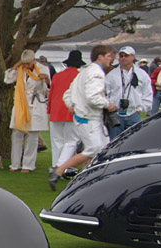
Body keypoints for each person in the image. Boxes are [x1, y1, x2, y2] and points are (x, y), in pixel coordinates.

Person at [50, 44, 118, 189]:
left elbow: (67, 94)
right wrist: (108, 105)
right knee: (93, 149)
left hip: (85, 116)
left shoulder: (84, 72)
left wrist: (72, 106)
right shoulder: (96, 73)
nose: (111, 59)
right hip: (89, 117)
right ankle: (59, 170)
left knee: (102, 149)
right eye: (109, 56)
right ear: (100, 56)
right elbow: (93, 97)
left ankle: (93, 178)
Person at [4, 49, 50, 172]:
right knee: (17, 134)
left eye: (28, 63)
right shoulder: (20, 70)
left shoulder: (42, 69)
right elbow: (7, 79)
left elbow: (47, 90)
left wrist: (46, 79)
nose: (26, 66)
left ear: (33, 61)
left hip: (35, 104)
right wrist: (16, 66)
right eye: (24, 63)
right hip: (20, 104)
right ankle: (15, 164)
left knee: (33, 136)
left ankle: (28, 165)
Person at [104, 45, 152, 139]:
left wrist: (141, 108)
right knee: (114, 141)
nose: (123, 58)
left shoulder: (142, 74)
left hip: (134, 112)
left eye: (126, 55)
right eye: (121, 56)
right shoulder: (111, 75)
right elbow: (105, 93)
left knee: (134, 140)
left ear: (133, 57)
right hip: (116, 113)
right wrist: (109, 106)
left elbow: (147, 93)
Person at [48, 50, 83, 171]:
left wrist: (50, 110)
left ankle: (56, 165)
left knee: (57, 141)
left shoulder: (57, 76)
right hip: (71, 111)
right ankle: (66, 168)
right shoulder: (80, 76)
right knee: (71, 141)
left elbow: (51, 95)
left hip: (56, 112)